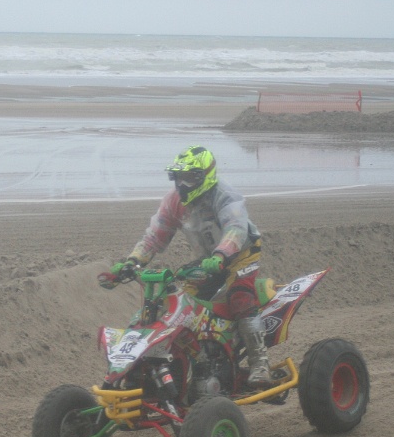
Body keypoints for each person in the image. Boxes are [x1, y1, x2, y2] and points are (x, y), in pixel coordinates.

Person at [104, 145, 272, 388]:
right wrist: (131, 262)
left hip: (241, 253)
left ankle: (260, 363)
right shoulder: (173, 202)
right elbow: (155, 237)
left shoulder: (225, 195)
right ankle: (195, 365)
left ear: (206, 176)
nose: (182, 185)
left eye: (189, 178)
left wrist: (223, 254)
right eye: (178, 178)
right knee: (182, 307)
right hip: (207, 259)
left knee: (240, 298)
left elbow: (236, 227)